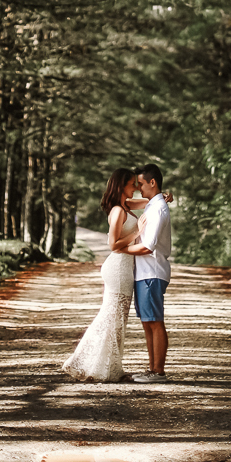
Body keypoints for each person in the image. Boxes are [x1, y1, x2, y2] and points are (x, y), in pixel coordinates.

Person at [62, 168, 142, 382]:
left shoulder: (126, 206)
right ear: (121, 186)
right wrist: (137, 231)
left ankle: (109, 367)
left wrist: (162, 197)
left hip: (124, 267)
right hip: (118, 268)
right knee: (112, 318)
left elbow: (145, 202)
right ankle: (90, 364)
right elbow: (113, 244)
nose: (135, 187)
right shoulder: (118, 210)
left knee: (116, 319)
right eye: (132, 184)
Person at [124, 163, 171, 384]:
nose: (138, 188)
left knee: (155, 322)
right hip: (144, 273)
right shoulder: (154, 204)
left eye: (141, 184)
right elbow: (126, 202)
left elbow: (148, 246)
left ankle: (158, 372)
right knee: (148, 322)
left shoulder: (158, 208)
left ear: (153, 182)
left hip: (152, 271)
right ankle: (152, 369)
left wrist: (121, 249)